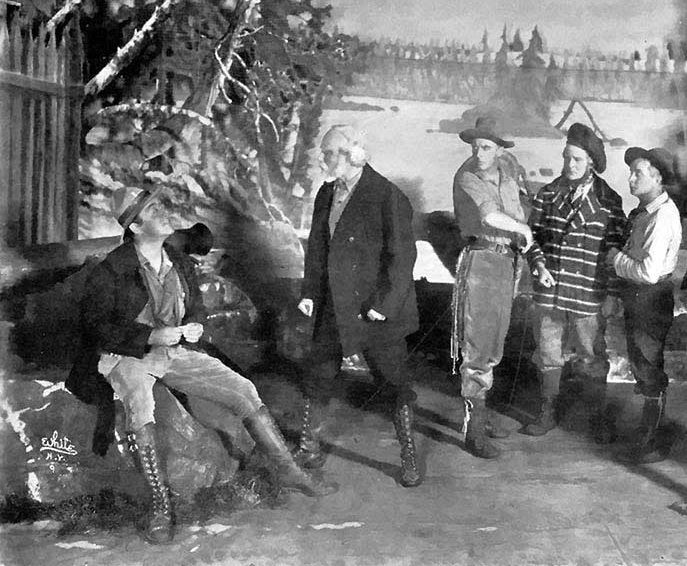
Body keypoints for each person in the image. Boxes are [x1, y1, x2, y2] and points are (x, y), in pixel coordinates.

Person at [67, 184, 330, 545]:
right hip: (126, 356)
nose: (163, 212)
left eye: (159, 205)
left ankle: (289, 470)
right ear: (136, 227)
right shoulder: (111, 270)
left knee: (243, 389)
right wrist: (152, 336)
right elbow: (98, 328)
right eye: (153, 210)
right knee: (141, 405)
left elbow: (194, 308)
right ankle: (160, 507)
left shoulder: (178, 261)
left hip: (174, 354)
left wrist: (194, 326)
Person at [298, 125, 423, 488]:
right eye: (324, 152)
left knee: (394, 382)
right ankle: (307, 448)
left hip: (375, 309)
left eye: (330, 153)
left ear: (353, 155)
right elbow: (317, 248)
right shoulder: (326, 193)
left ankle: (408, 456)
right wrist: (310, 293)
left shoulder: (387, 196)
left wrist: (384, 305)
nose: (324, 159)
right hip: (334, 304)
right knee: (319, 374)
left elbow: (403, 258)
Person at [521, 122, 627, 441]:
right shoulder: (547, 194)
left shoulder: (609, 200)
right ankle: (548, 411)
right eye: (566, 157)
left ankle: (596, 417)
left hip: (587, 292)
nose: (569, 164)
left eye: (577, 159)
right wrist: (538, 264)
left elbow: (615, 250)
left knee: (591, 355)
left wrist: (612, 294)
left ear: (591, 162)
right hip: (550, 291)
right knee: (548, 353)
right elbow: (530, 238)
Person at [451, 116, 532, 459]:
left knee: (495, 341)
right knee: (477, 345)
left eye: (486, 147)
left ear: (499, 150)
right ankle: (473, 430)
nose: (479, 153)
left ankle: (481, 418)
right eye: (475, 147)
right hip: (481, 261)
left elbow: (519, 213)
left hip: (505, 263)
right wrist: (522, 230)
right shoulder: (467, 176)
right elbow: (489, 216)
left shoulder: (508, 176)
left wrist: (524, 232)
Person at [605, 147, 683, 463]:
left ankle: (654, 440)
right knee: (642, 363)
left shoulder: (662, 217)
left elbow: (649, 272)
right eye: (631, 172)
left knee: (648, 366)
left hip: (650, 297)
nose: (631, 179)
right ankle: (648, 433)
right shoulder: (644, 212)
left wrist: (615, 260)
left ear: (658, 178)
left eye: (638, 173)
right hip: (639, 297)